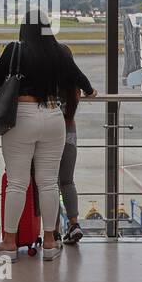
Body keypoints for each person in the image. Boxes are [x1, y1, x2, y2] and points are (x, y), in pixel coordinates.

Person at [0, 9, 86, 263]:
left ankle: (9, 242)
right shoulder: (59, 52)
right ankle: (51, 242)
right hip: (54, 117)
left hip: (23, 116)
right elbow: (81, 81)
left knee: (18, 183)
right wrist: (91, 90)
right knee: (49, 183)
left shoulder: (15, 50)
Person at [60, 46, 95, 244]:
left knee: (48, 183)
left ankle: (52, 229)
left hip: (51, 132)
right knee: (67, 181)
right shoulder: (74, 84)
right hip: (70, 132)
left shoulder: (49, 80)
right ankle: (74, 223)